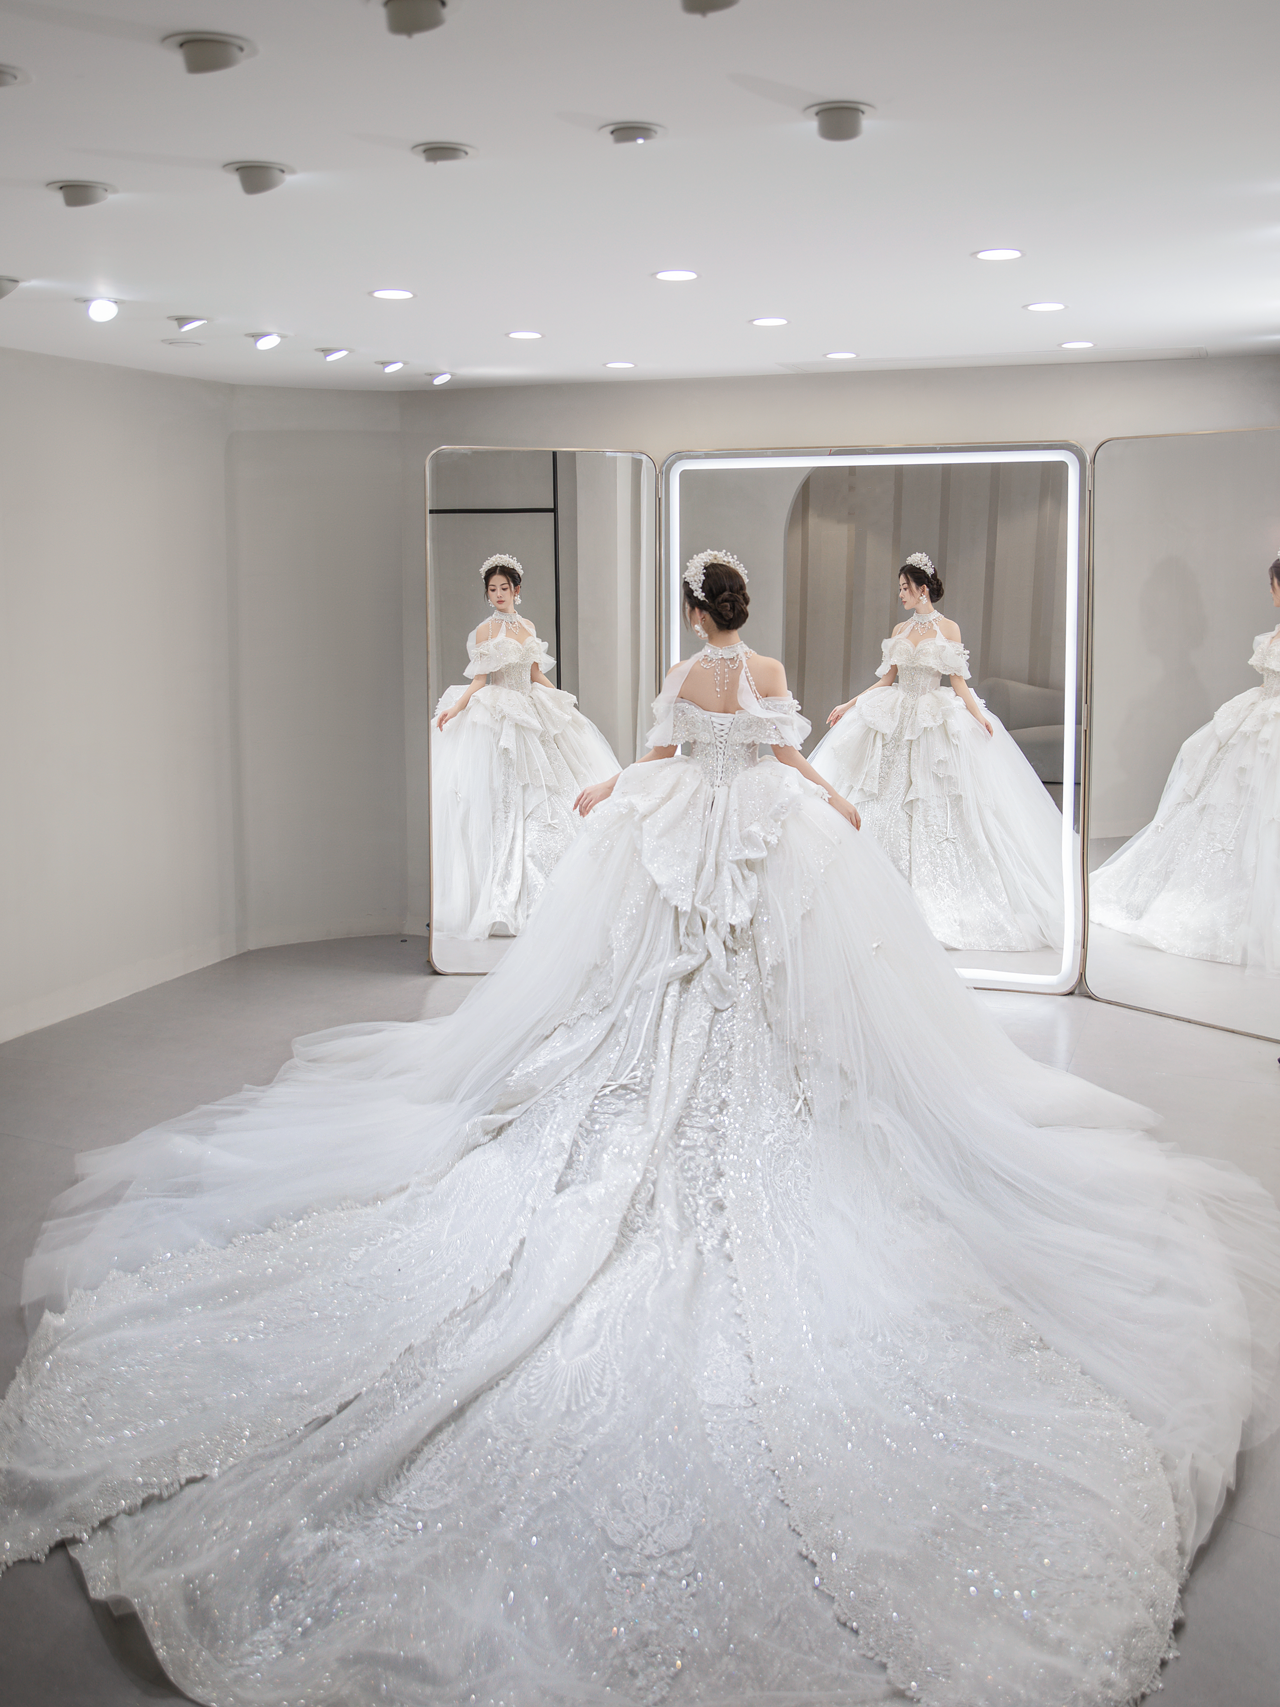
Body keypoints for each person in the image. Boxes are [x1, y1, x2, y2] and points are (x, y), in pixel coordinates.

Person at [2, 551, 1278, 1707]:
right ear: (741, 615)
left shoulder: (685, 676)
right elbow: (779, 761)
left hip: (688, 839)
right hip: (761, 839)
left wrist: (615, 786)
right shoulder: (763, 673)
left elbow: (672, 759)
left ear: (688, 613)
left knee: (650, 990)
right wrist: (825, 805)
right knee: (760, 986)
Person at [809, 553, 1065, 952]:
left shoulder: (948, 629)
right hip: (896, 715)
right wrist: (850, 703)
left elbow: (958, 682)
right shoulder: (899, 629)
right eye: (899, 589)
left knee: (935, 800)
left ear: (922, 589)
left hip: (931, 716)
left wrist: (978, 716)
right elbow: (886, 680)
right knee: (881, 794)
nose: (900, 595)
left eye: (904, 588)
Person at [1090, 557, 1280, 971]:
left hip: (1271, 727)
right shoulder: (1270, 635)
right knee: (1229, 804)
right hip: (1260, 719)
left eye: (1272, 586)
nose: (1272, 595)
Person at [431, 554, 618, 938]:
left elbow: (534, 674)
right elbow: (480, 680)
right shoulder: (484, 631)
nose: (498, 595)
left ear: (517, 590)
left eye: (504, 588)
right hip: (500, 712)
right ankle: (504, 888)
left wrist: (562, 699)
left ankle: (559, 888)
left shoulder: (528, 626)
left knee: (553, 788)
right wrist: (456, 707)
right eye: (492, 589)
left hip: (532, 708)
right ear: (487, 594)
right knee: (506, 795)